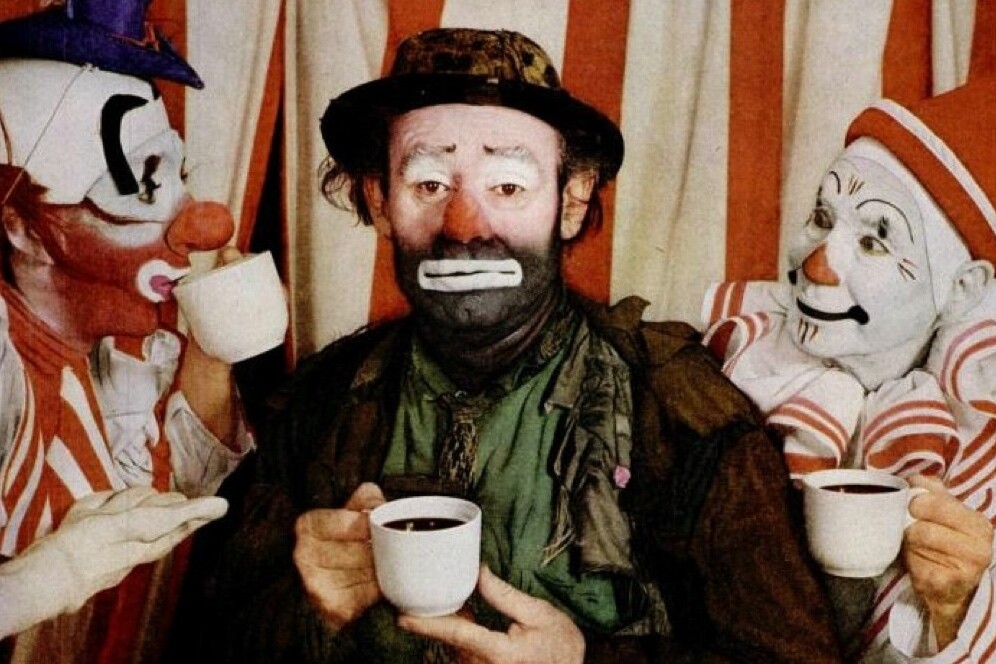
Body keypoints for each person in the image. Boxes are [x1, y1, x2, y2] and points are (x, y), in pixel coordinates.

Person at [201, 28, 841, 663]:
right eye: (429, 185)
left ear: (572, 200)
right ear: (380, 199)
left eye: (507, 186)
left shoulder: (677, 410)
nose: (463, 228)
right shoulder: (320, 403)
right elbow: (207, 642)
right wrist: (308, 611)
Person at [702, 78, 996, 660]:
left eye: (874, 241)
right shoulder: (725, 362)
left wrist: (953, 611)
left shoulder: (980, 454)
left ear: (963, 289)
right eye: (821, 216)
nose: (817, 264)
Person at [0, 0, 253, 659]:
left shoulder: (116, 355)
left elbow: (166, 502)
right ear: (23, 228)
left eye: (178, 179)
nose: (198, 224)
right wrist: (46, 579)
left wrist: (213, 350)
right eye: (142, 187)